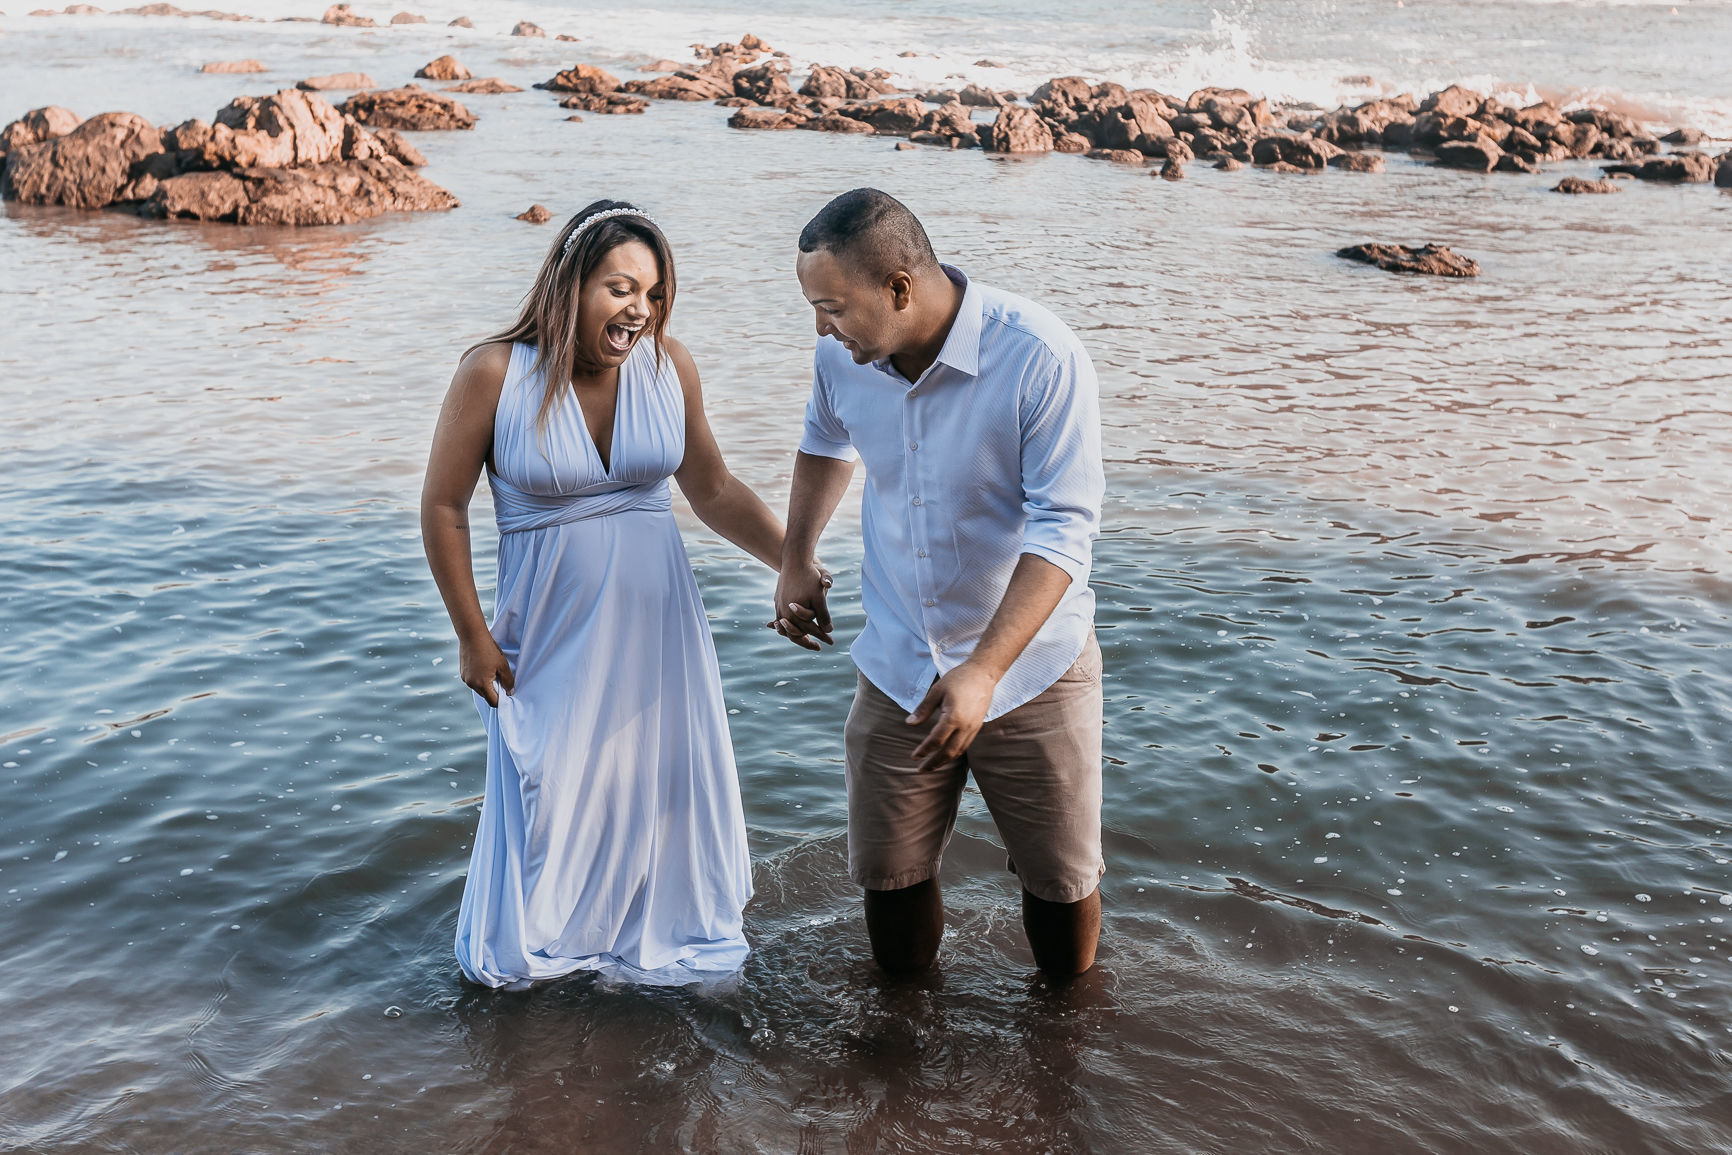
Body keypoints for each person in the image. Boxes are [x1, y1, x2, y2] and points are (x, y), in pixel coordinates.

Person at [421, 199, 787, 988]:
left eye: (652, 294)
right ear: (570, 283)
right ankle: (552, 954)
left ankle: (651, 943)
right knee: (552, 788)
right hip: (546, 627)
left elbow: (714, 488)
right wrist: (470, 631)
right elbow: (443, 505)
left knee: (655, 784)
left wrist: (792, 562)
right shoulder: (494, 372)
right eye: (621, 288)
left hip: (659, 629)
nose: (639, 311)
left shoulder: (668, 365)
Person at [771, 188, 1107, 979]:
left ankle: (1063, 1039)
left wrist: (984, 671)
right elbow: (825, 444)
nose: (822, 327)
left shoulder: (1039, 356)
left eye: (832, 306)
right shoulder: (839, 360)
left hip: (1031, 669)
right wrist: (796, 555)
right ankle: (903, 1041)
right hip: (896, 661)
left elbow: (1065, 531)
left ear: (898, 286)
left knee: (1060, 883)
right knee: (889, 874)